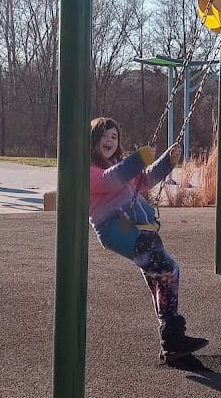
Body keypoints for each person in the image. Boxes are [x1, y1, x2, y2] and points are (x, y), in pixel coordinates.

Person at [89, 117, 209, 365]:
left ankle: (171, 342)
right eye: (104, 135)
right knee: (168, 270)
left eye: (114, 136)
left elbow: (144, 180)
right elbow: (109, 180)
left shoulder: (119, 164)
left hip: (132, 226)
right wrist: (136, 160)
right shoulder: (88, 168)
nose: (110, 140)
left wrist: (167, 160)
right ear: (93, 140)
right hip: (114, 227)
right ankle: (172, 338)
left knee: (156, 275)